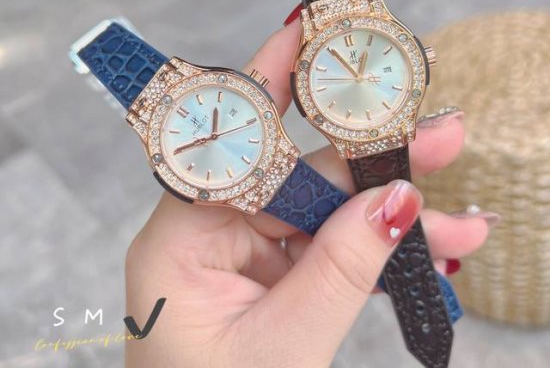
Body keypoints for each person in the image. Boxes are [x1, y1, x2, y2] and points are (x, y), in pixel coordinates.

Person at [125, 19, 497, 367]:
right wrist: (350, 258)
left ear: (255, 98)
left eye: (213, 133)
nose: (210, 137)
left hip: (265, 167)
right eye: (202, 141)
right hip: (249, 182)